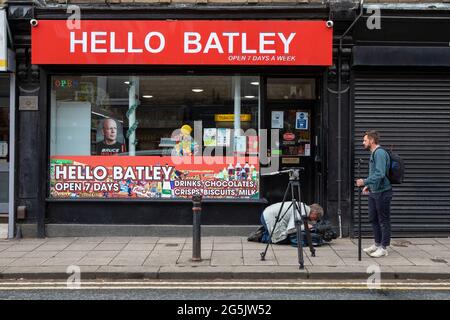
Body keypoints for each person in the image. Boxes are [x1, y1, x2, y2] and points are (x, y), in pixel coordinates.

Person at [356, 130, 393, 258]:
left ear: (371, 140)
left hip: (383, 192)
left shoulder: (380, 153)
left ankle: (384, 248)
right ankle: (377, 244)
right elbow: (375, 174)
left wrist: (364, 181)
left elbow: (380, 173)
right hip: (374, 191)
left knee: (383, 220)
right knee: (373, 218)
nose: (363, 143)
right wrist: (368, 185)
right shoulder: (374, 153)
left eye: (365, 140)